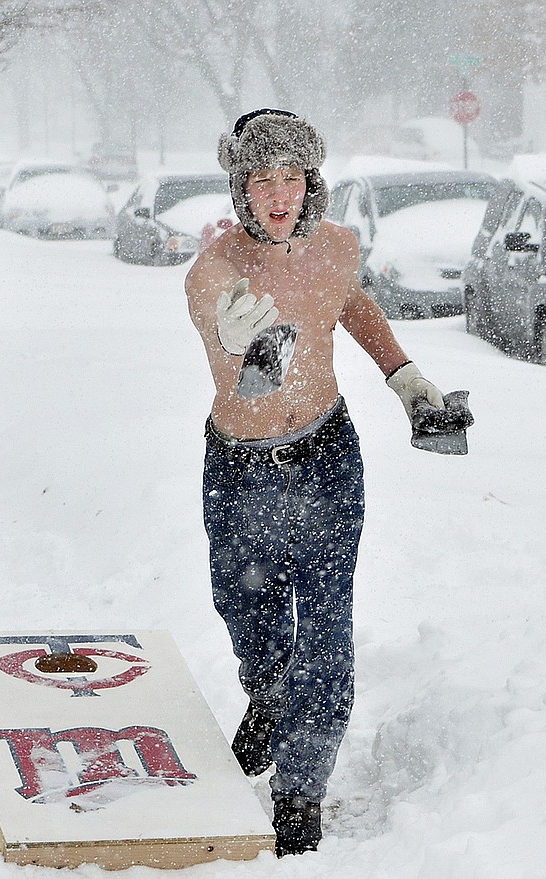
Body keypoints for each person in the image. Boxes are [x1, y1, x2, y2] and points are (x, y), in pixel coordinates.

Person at [185, 109, 461, 856]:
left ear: (313, 183)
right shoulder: (215, 268)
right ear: (241, 187)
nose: (279, 195)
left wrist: (404, 375)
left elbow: (350, 304)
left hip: (328, 461)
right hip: (241, 474)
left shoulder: (336, 246)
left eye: (292, 178)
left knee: (328, 630)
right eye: (262, 179)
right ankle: (269, 695)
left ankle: (301, 786)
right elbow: (231, 342)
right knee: (247, 610)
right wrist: (243, 331)